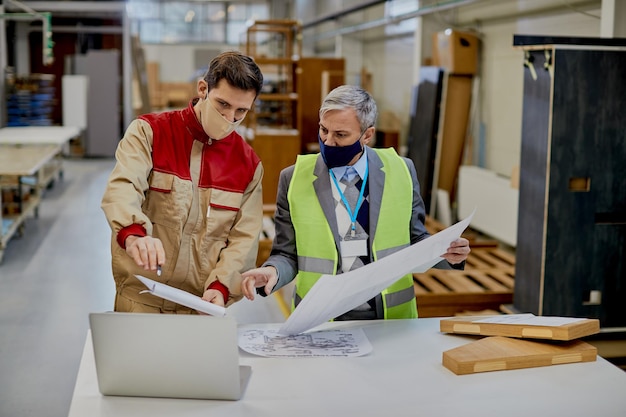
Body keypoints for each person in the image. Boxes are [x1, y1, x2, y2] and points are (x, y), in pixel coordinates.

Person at [241, 85, 470, 320]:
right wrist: (273, 271)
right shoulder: (294, 178)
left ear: (367, 135)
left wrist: (447, 253)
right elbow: (286, 254)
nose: (328, 142)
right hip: (319, 317)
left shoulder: (401, 171)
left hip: (390, 319)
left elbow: (416, 239)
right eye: (323, 130)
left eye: (340, 135)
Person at [101, 51, 264, 313]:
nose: (230, 118)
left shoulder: (248, 165)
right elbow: (123, 188)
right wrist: (133, 235)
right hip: (141, 297)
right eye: (223, 104)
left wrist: (221, 286)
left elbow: (244, 238)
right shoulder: (150, 132)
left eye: (241, 111)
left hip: (200, 305)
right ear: (203, 89)